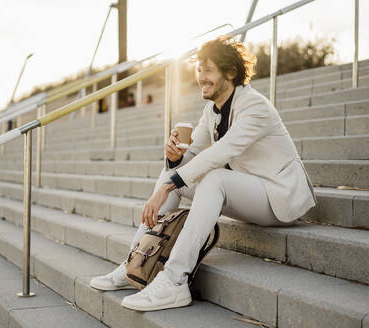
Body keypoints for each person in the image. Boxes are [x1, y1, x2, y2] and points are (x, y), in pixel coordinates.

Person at [90, 36, 316, 312]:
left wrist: (167, 187)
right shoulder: (212, 110)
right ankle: (135, 264)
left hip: (279, 197)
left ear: (230, 73)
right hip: (250, 191)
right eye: (198, 70)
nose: (201, 77)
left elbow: (219, 153)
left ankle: (174, 281)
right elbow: (194, 154)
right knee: (170, 172)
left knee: (210, 178)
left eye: (208, 70)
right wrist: (175, 158)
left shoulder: (255, 106)